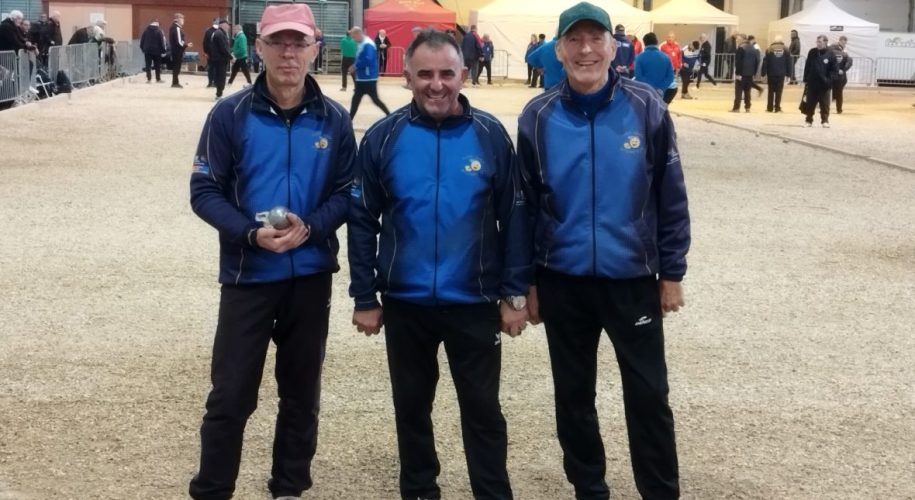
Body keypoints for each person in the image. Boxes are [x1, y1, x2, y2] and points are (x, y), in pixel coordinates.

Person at [348, 28, 531, 500]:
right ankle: (419, 490)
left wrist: (514, 295)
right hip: (405, 303)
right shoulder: (384, 137)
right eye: (424, 74)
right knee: (411, 408)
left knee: (483, 411)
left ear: (463, 75)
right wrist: (364, 296)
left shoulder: (489, 135)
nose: (436, 84)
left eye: (446, 74)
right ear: (406, 77)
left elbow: (515, 215)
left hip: (474, 301)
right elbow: (362, 219)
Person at [517, 3, 690, 499]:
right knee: (573, 396)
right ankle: (589, 488)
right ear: (559, 50)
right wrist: (526, 282)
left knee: (649, 394)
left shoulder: (647, 106)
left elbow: (671, 195)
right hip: (562, 279)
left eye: (596, 39)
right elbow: (525, 205)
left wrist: (672, 272)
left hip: (631, 278)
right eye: (575, 40)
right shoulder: (537, 116)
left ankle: (660, 491)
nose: (586, 50)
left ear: (614, 48)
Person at [188, 4, 355, 499]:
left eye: (298, 43)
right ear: (258, 47)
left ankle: (289, 487)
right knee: (231, 395)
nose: (288, 53)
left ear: (315, 50)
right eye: (278, 42)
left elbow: (348, 191)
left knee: (302, 394)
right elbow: (204, 190)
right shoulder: (229, 114)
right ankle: (212, 490)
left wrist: (313, 227)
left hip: (310, 275)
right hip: (249, 275)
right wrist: (248, 234)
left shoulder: (334, 119)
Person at [348, 26, 390, 118]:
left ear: (358, 34)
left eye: (354, 37)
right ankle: (349, 119)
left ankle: (389, 115)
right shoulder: (363, 43)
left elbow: (368, 59)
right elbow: (361, 58)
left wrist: (355, 66)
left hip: (368, 78)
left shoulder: (368, 44)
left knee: (373, 100)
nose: (354, 40)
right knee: (357, 100)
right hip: (363, 78)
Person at [802, 34, 837, 127]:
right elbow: (807, 66)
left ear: (825, 42)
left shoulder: (831, 53)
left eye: (820, 42)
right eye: (817, 42)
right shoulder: (812, 52)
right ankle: (808, 120)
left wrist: (829, 80)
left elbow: (834, 69)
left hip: (824, 84)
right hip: (812, 83)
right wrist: (805, 79)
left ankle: (825, 121)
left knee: (825, 104)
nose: (818, 44)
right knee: (810, 103)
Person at [635, 32, 675, 104]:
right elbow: (670, 77)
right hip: (661, 93)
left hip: (646, 93)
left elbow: (638, 76)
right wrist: (661, 89)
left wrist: (650, 89)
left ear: (644, 43)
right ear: (657, 42)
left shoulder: (639, 57)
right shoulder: (666, 57)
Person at [761, 35, 793, 112]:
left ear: (774, 41)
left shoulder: (769, 49)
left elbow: (765, 62)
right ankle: (777, 108)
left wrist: (763, 73)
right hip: (781, 74)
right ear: (781, 41)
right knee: (779, 91)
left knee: (770, 91)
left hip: (771, 73)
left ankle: (769, 108)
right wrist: (789, 74)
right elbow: (789, 63)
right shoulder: (786, 49)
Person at [731, 35, 759, 112]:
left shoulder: (741, 48)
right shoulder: (753, 48)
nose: (736, 41)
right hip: (750, 74)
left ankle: (736, 108)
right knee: (747, 91)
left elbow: (738, 62)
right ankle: (748, 107)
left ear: (743, 39)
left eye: (738, 39)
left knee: (738, 91)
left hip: (742, 73)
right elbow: (757, 61)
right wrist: (754, 72)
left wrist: (737, 73)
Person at [208, 20, 232, 100]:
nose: (228, 27)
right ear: (222, 25)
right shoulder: (219, 34)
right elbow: (223, 48)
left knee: (220, 76)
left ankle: (219, 93)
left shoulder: (220, 33)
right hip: (220, 59)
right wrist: (231, 57)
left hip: (219, 59)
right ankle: (219, 94)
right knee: (221, 77)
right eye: (227, 25)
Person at [169, 13, 192, 88]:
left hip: (175, 50)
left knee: (176, 67)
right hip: (177, 51)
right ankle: (175, 83)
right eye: (182, 19)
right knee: (177, 67)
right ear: (177, 19)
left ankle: (175, 82)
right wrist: (186, 45)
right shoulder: (177, 28)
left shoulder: (173, 27)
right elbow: (179, 41)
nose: (183, 20)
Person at [830, 36, 852, 114]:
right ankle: (838, 109)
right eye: (843, 42)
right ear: (839, 41)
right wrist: (843, 70)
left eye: (844, 42)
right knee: (838, 92)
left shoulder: (831, 52)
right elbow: (849, 62)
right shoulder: (844, 53)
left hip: (834, 75)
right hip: (839, 75)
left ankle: (828, 106)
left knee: (829, 91)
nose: (844, 44)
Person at [203, 19, 219, 88]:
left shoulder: (208, 31)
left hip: (210, 53)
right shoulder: (220, 31)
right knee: (216, 68)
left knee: (211, 68)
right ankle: (215, 82)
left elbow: (204, 43)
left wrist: (205, 52)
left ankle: (210, 82)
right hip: (217, 54)